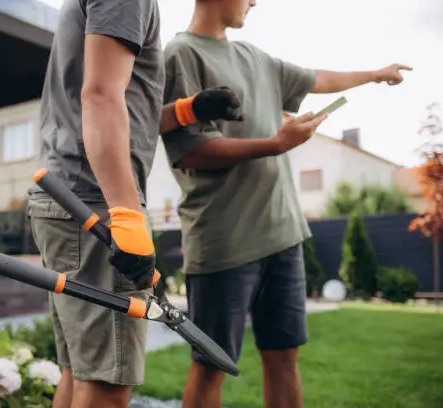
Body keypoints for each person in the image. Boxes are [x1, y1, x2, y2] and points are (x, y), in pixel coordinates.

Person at [160, 1, 412, 407]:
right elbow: (190, 151)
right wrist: (277, 144)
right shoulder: (180, 55)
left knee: (283, 356)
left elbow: (316, 78)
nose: (254, 1)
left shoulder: (255, 57)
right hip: (224, 240)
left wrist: (373, 75)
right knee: (210, 365)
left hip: (283, 235)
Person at [25, 1, 244, 408]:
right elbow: (101, 97)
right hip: (94, 200)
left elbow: (114, 101)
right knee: (106, 383)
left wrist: (186, 110)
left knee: (81, 371)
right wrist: (126, 213)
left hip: (73, 194)